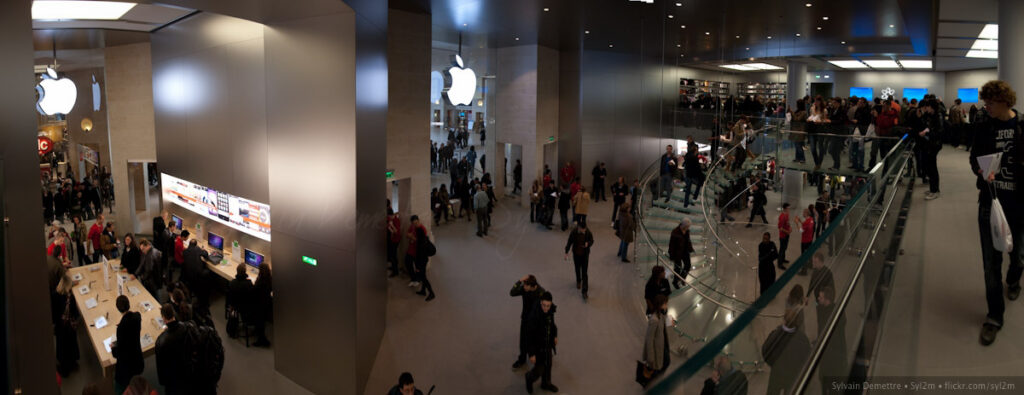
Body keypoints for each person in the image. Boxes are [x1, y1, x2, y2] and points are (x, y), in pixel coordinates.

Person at [972, 80, 1024, 346]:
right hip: (990, 203)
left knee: (1017, 253)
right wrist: (981, 171)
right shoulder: (984, 126)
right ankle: (994, 317)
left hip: (1018, 205)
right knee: (990, 264)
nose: (986, 106)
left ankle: (1015, 278)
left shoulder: (1021, 125)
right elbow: (974, 158)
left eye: (990, 102)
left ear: (1004, 101)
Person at [762, 308, 811, 395]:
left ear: (784, 320)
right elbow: (807, 357)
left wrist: (773, 364)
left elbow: (765, 350)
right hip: (793, 376)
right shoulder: (802, 338)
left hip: (777, 373)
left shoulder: (775, 335)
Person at [814, 285, 848, 394]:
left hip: (831, 360)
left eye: (821, 297)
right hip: (830, 358)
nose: (818, 299)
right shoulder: (829, 309)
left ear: (827, 300)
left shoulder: (830, 319)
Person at [524, 291, 558, 393]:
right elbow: (529, 336)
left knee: (548, 365)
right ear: (540, 303)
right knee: (539, 370)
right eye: (544, 305)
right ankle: (529, 378)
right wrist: (532, 353)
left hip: (547, 344)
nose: (546, 308)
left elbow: (552, 325)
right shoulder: (534, 316)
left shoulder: (550, 311)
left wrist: (555, 335)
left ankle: (546, 384)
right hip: (537, 347)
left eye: (548, 305)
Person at [510, 275, 546, 369]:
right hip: (525, 319)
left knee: (536, 341)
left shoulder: (541, 293)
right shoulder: (524, 289)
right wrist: (519, 280)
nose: (524, 287)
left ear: (532, 286)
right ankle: (522, 359)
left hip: (536, 323)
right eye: (524, 285)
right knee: (523, 341)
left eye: (526, 286)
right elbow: (512, 292)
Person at [112, 295, 144, 395]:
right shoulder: (137, 316)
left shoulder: (121, 329)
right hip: (138, 360)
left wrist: (113, 348)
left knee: (119, 388)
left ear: (118, 309)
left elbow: (119, 352)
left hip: (127, 368)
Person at [156, 303, 190, 395]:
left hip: (171, 378)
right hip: (186, 369)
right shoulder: (185, 327)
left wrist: (162, 381)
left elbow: (160, 365)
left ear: (163, 318)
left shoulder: (161, 340)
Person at [643, 294, 671, 382]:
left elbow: (663, 326)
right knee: (661, 365)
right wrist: (650, 357)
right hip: (657, 349)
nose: (667, 305)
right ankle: (655, 380)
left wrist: (670, 322)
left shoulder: (661, 316)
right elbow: (649, 339)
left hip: (662, 346)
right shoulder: (654, 320)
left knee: (666, 362)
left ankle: (657, 379)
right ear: (660, 305)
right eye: (665, 304)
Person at [407, 216, 435, 301]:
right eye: (414, 223)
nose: (415, 225)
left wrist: (418, 267)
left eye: (416, 223)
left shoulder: (420, 238)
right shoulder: (421, 234)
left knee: (423, 278)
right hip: (423, 259)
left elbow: (420, 254)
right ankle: (423, 291)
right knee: (423, 276)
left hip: (422, 260)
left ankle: (431, 293)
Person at [564, 222, 594, 300]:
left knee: (584, 272)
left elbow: (592, 240)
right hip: (576, 254)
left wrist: (588, 244)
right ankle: (578, 281)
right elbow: (569, 241)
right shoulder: (574, 232)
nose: (584, 231)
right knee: (577, 269)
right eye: (583, 230)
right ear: (579, 228)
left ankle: (584, 292)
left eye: (585, 229)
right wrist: (566, 252)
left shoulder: (588, 232)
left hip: (585, 255)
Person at [227, 264, 254, 337]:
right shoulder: (249, 283)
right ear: (245, 272)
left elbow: (229, 297)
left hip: (234, 308)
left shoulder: (232, 283)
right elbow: (252, 296)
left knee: (233, 313)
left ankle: (232, 330)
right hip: (246, 308)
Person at [182, 239, 211, 306]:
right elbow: (206, 255)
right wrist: (203, 250)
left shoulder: (185, 251)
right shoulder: (197, 250)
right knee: (208, 272)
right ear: (196, 245)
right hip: (198, 275)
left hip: (187, 275)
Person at [668, 219, 695, 289]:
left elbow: (688, 240)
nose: (688, 228)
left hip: (685, 251)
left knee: (688, 265)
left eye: (688, 227)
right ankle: (675, 281)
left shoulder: (687, 231)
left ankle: (682, 278)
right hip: (677, 253)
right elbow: (671, 245)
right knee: (677, 268)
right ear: (683, 225)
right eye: (687, 226)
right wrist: (671, 255)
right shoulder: (675, 232)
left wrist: (691, 248)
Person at [252, 262, 273, 347]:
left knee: (260, 321)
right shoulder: (270, 279)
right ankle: (259, 332)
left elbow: (254, 291)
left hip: (259, 305)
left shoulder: (260, 282)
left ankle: (262, 340)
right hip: (267, 303)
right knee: (262, 321)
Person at [796, 207, 815, 276]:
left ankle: (804, 271)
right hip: (810, 240)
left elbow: (801, 231)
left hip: (804, 241)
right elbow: (806, 226)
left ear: (806, 213)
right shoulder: (811, 220)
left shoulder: (806, 222)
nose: (803, 214)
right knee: (809, 254)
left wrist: (797, 223)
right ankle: (810, 265)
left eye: (804, 213)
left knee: (803, 256)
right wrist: (801, 221)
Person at [386, 207, 401, 277]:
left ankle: (396, 271)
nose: (388, 218)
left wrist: (391, 225)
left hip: (396, 240)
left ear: (391, 215)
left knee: (393, 256)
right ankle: (394, 267)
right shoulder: (392, 219)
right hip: (393, 239)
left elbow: (396, 232)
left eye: (389, 216)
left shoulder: (396, 220)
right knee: (392, 255)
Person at [777, 203, 792, 270]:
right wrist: (787, 231)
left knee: (784, 248)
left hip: (786, 235)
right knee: (782, 250)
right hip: (783, 236)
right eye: (788, 208)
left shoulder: (787, 215)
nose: (789, 209)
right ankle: (779, 263)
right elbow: (780, 227)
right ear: (785, 208)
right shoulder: (782, 216)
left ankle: (783, 259)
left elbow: (787, 223)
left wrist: (790, 227)